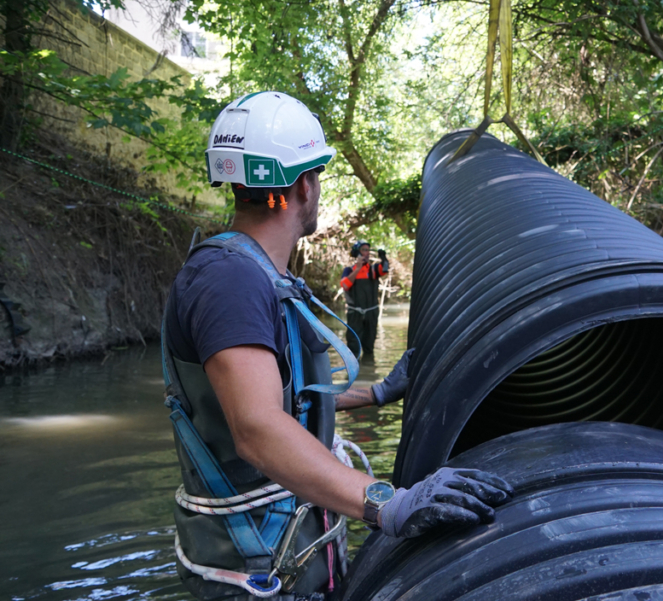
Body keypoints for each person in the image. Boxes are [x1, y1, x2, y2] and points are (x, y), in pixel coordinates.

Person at [160, 91, 513, 601]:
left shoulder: (261, 277)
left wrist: (375, 394)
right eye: (317, 176)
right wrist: (387, 503)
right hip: (254, 576)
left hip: (292, 562)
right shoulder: (230, 280)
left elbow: (285, 401)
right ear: (304, 185)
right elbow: (257, 427)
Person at [340, 241, 387, 361]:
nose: (367, 253)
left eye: (368, 250)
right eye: (364, 250)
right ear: (357, 253)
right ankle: (354, 369)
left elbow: (384, 270)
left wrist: (384, 258)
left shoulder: (373, 269)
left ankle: (368, 368)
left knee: (369, 346)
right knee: (353, 347)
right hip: (355, 313)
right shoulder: (349, 270)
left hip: (371, 313)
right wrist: (358, 269)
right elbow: (345, 285)